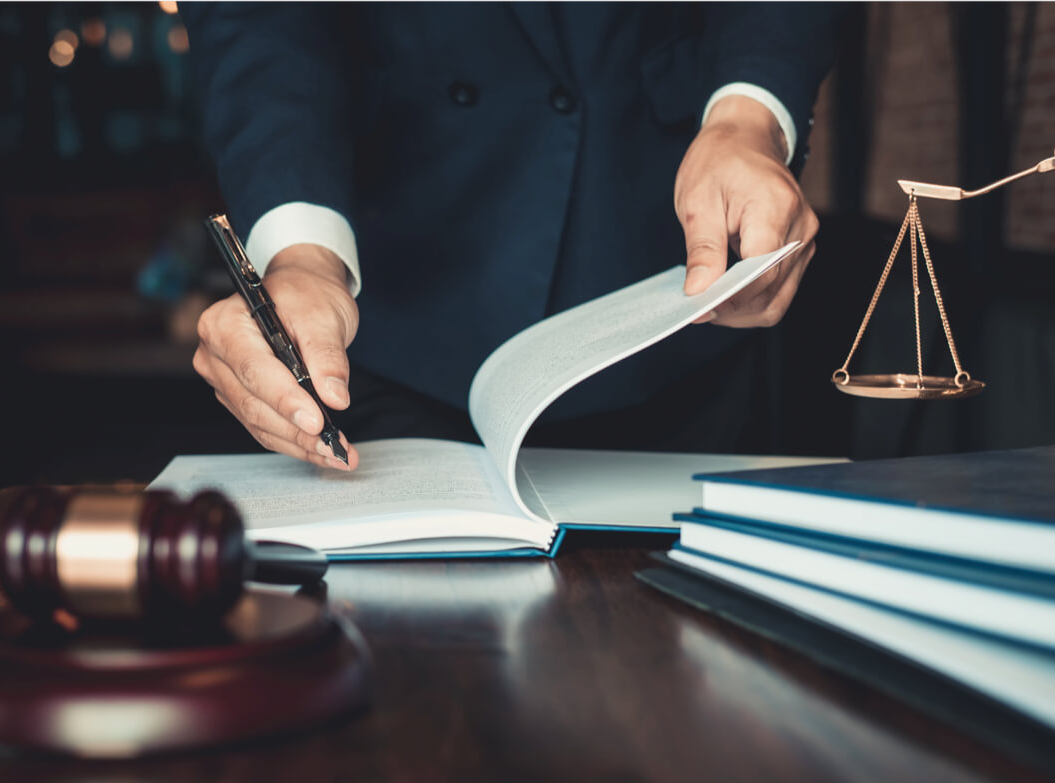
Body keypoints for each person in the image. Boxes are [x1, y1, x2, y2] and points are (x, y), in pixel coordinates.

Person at [180, 3, 841, 470]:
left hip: (673, 288)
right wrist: (301, 255)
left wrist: (748, 119)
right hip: (392, 297)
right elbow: (261, 21)